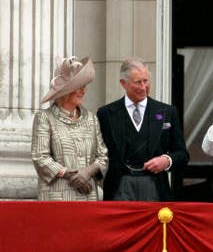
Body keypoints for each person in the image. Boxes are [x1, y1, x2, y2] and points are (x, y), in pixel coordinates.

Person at [97, 57, 189, 201]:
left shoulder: (167, 112)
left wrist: (166, 160)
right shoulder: (106, 114)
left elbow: (183, 155)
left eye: (145, 81)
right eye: (137, 82)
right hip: (119, 188)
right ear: (123, 83)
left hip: (155, 187)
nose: (143, 87)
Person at [31, 56, 108, 200]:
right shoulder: (45, 118)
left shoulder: (91, 118)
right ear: (65, 92)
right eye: (78, 87)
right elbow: (40, 157)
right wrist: (71, 175)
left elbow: (103, 156)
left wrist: (88, 172)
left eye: (84, 86)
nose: (83, 91)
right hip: (56, 198)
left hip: (88, 196)